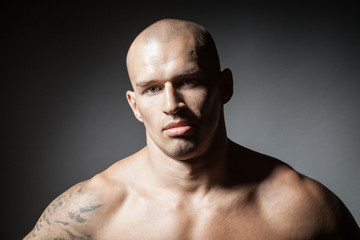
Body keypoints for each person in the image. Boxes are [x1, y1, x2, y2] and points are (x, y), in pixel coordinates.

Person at [24, 18, 359, 240]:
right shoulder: (92, 209)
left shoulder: (301, 208)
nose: (172, 104)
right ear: (134, 104)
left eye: (189, 81)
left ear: (224, 86)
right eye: (152, 88)